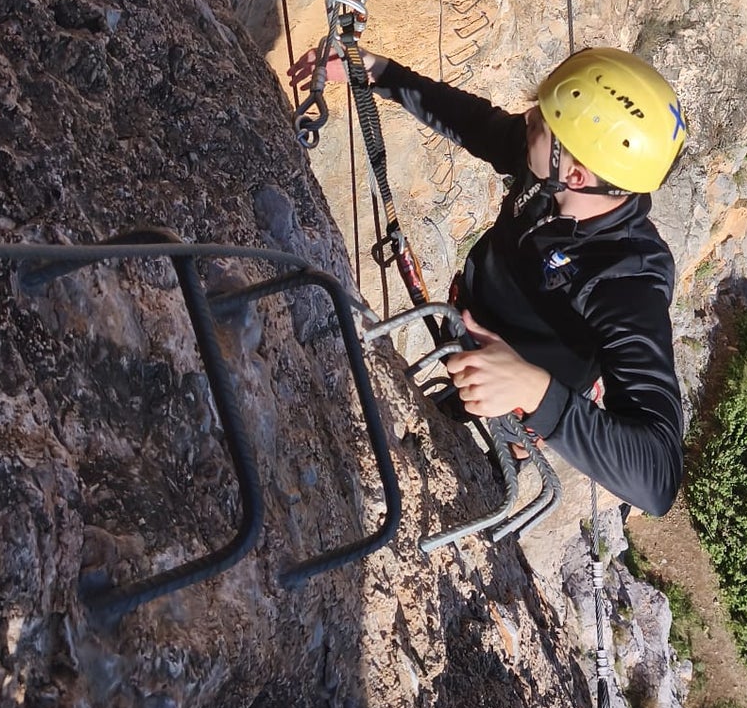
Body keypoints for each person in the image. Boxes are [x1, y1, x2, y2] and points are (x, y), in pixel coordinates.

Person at [290, 44, 689, 518]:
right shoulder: (548, 173)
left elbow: (658, 476)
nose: (526, 119)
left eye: (542, 121)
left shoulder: (626, 282)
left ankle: (501, 465)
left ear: (577, 174)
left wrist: (533, 392)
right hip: (468, 344)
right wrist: (378, 71)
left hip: (511, 403)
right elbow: (478, 124)